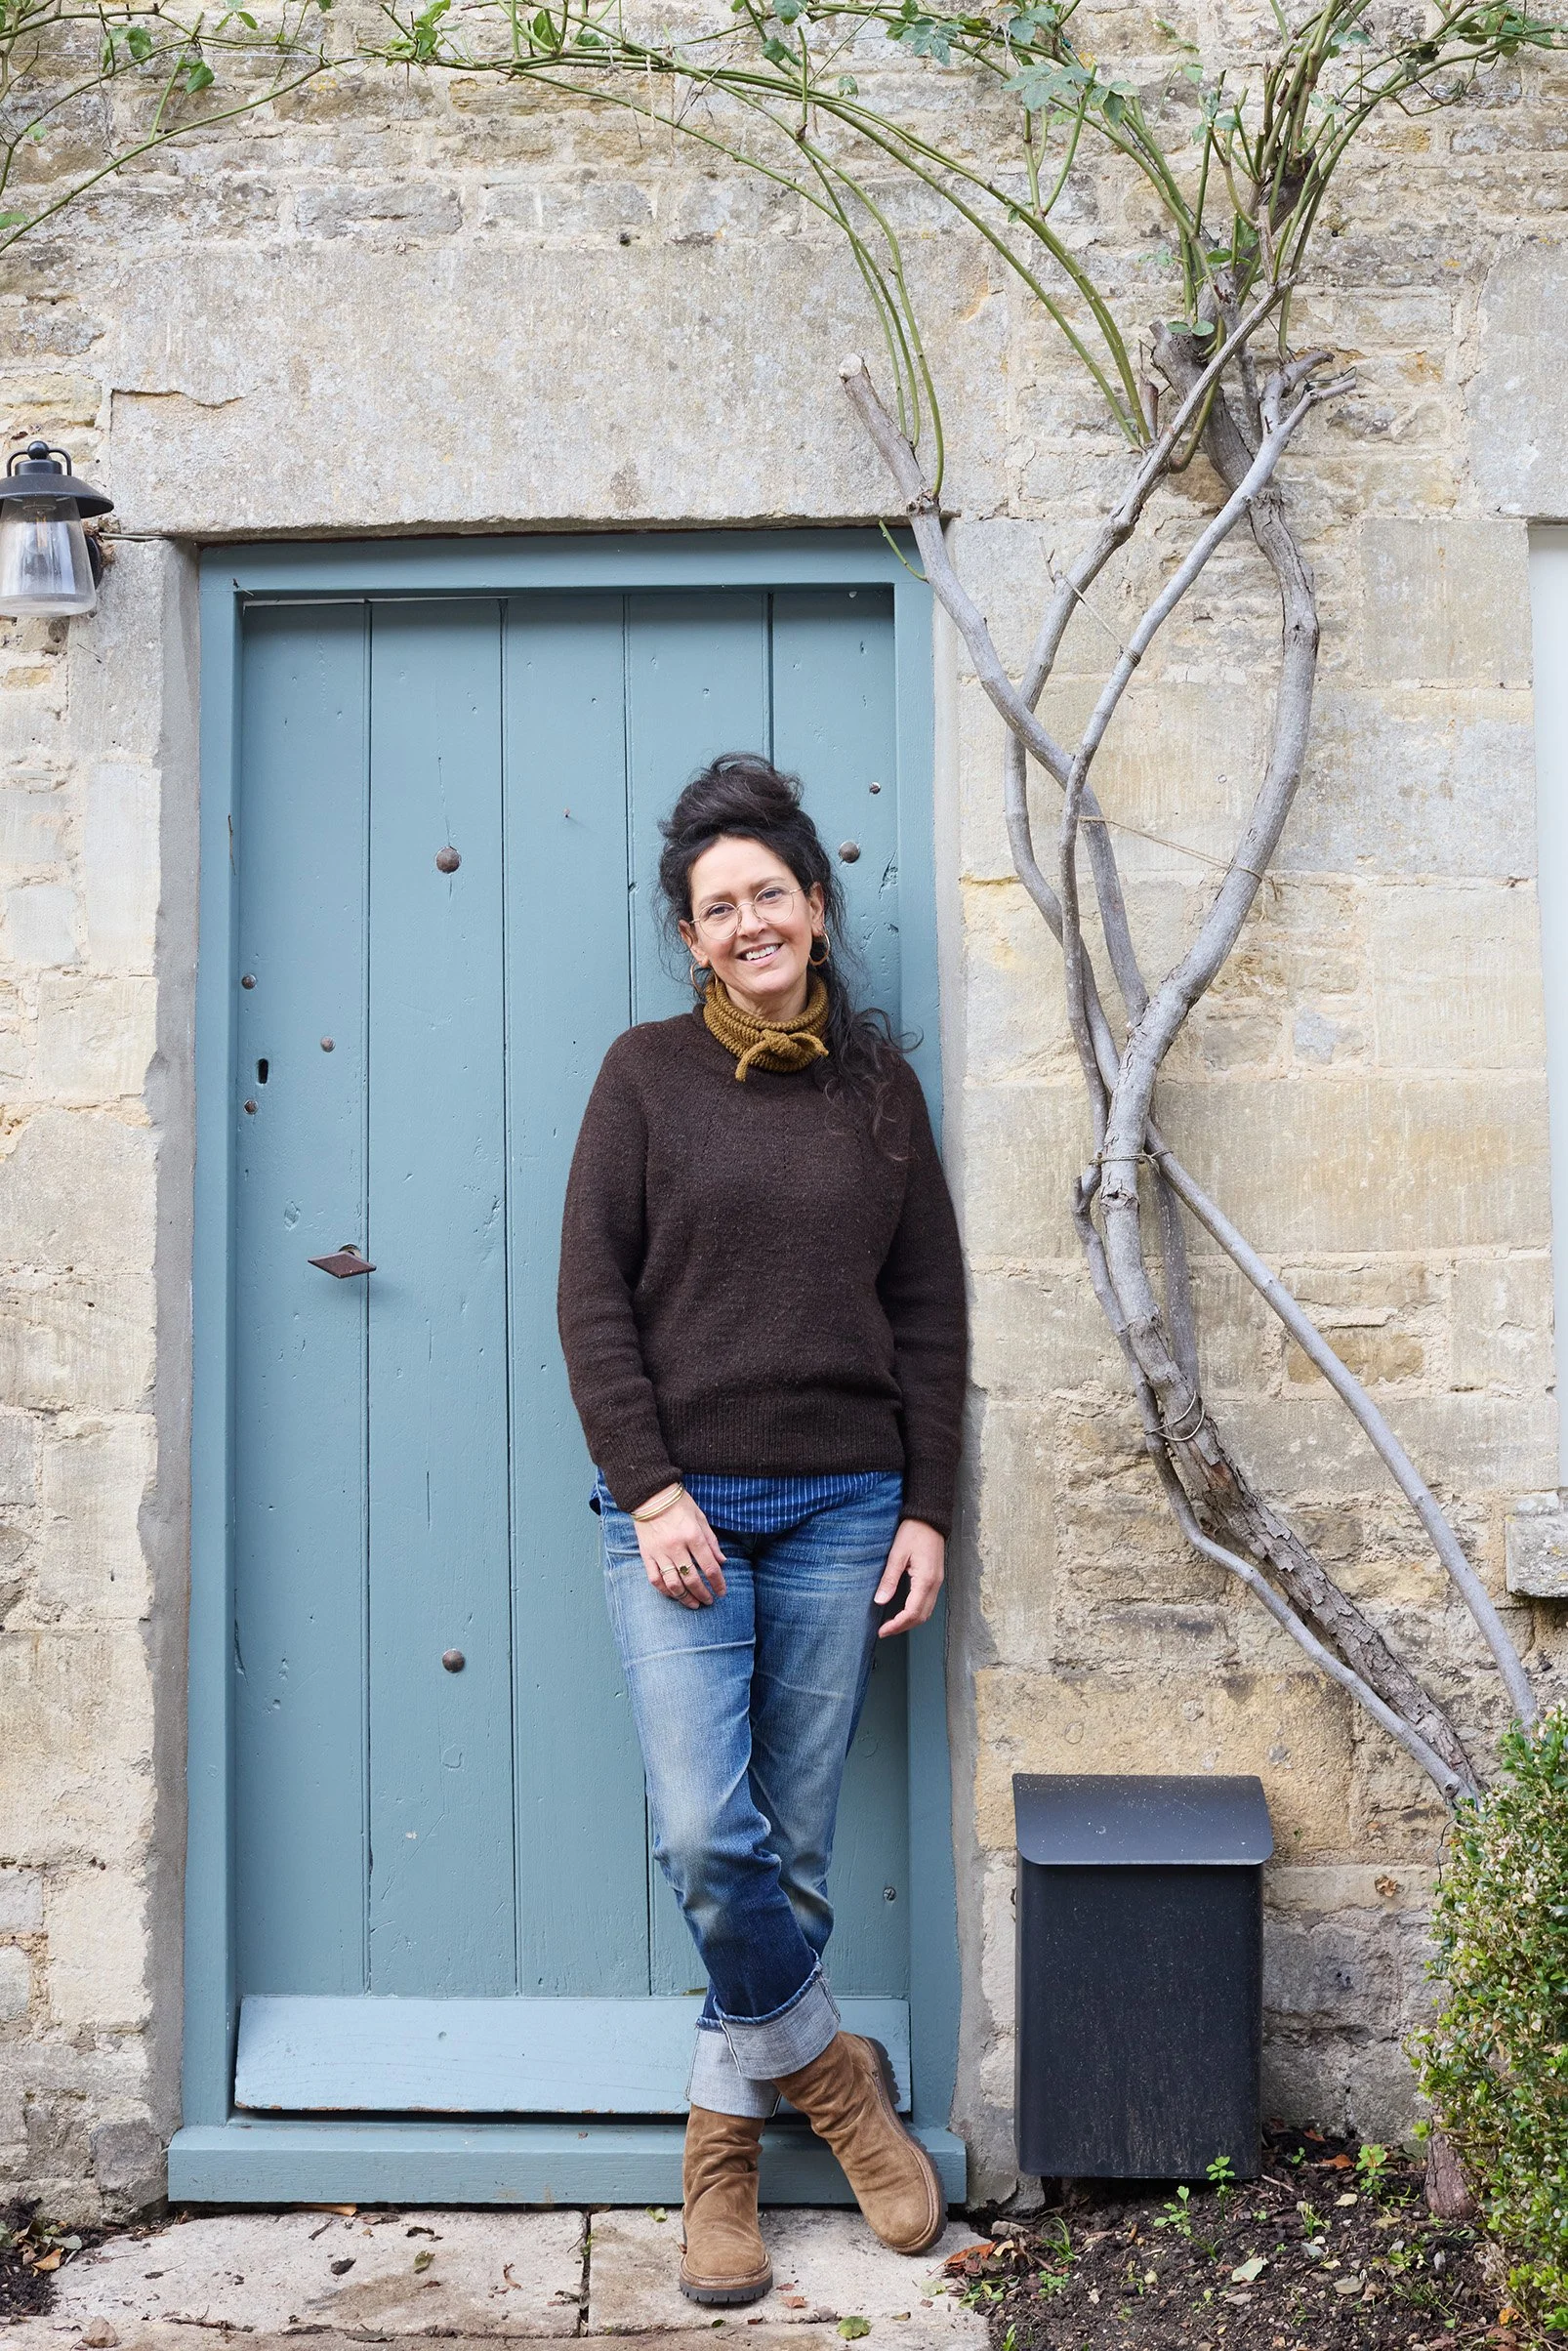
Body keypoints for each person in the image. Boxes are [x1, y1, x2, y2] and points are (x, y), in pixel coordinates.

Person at [557, 754, 967, 2303]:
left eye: (767, 895)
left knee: (787, 1850)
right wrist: (653, 1489)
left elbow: (925, 1312)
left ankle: (718, 2157)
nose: (746, 923)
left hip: (847, 1504)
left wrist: (926, 1506)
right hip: (682, 1512)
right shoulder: (643, 1075)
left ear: (813, 905)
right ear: (688, 935)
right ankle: (837, 2082)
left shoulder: (879, 1091)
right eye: (715, 906)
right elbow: (591, 1295)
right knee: (703, 1832)